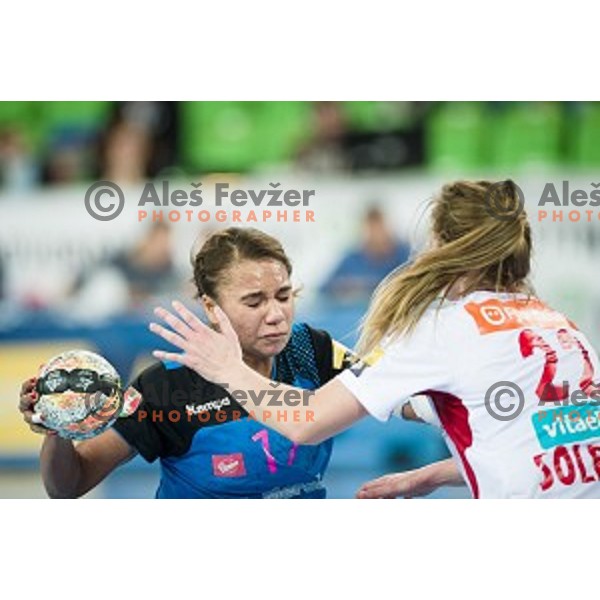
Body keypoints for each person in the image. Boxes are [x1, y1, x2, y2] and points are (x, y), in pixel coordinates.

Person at [149, 180, 600, 499]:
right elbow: (543, 446)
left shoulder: (445, 329)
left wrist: (226, 369)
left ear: (444, 247)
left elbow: (308, 420)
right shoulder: (560, 326)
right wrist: (431, 475)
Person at [18, 227, 361, 499]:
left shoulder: (309, 349)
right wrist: (56, 429)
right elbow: (67, 486)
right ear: (211, 308)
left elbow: (396, 392)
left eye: (284, 296)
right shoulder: (165, 387)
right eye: (254, 302)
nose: (276, 315)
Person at [320, 205, 411, 304]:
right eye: (371, 229)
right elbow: (324, 289)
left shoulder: (404, 255)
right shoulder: (351, 259)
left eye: (379, 228)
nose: (376, 235)